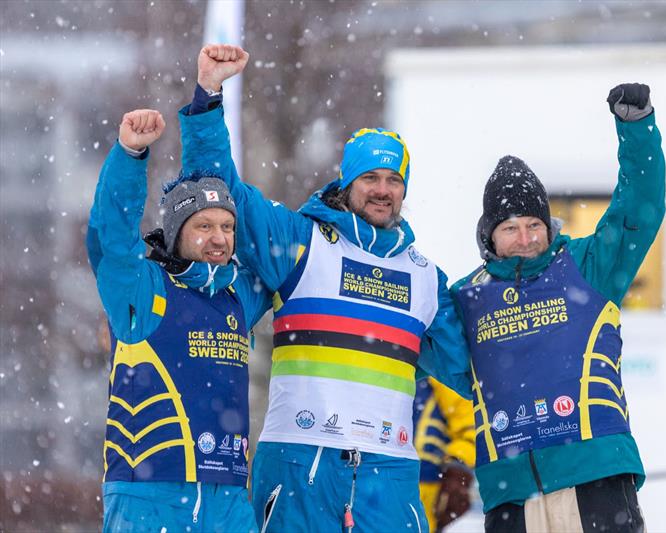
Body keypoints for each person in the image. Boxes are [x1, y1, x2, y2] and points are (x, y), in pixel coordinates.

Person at [178, 44, 472, 532]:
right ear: (348, 181)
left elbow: (478, 365)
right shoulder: (302, 242)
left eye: (393, 179)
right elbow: (218, 184)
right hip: (298, 462)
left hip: (389, 473)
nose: (382, 189)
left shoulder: (424, 277)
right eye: (370, 177)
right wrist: (209, 94)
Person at [451, 83, 665, 532]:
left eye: (534, 224)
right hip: (511, 493)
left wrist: (636, 129)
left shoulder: (588, 265)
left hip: (596, 478)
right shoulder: (466, 298)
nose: (526, 238)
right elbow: (420, 341)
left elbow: (638, 209)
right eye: (510, 227)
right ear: (489, 237)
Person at [87, 108, 270, 532]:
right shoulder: (141, 288)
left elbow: (278, 247)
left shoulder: (238, 295)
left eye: (227, 226)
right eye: (204, 225)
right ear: (175, 232)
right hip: (149, 494)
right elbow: (111, 235)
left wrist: (208, 104)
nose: (219, 238)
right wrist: (130, 155)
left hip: (228, 499)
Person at [413, 377, 476, 533]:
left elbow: (470, 427)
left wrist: (458, 469)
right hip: (381, 480)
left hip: (429, 487)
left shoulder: (438, 371)